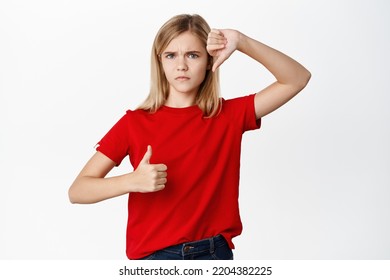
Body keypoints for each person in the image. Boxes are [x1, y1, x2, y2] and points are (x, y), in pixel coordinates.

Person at [68, 14, 311, 260]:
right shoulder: (134, 123)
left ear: (209, 61)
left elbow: (296, 79)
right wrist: (131, 181)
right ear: (160, 62)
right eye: (171, 55)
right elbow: (78, 190)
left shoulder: (228, 115)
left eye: (192, 55)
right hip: (154, 259)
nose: (181, 65)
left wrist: (241, 41)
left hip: (213, 254)